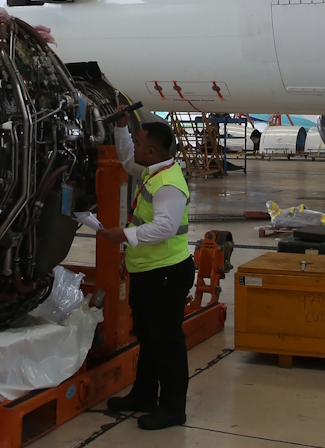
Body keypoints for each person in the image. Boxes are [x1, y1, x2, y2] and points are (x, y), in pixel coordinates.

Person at [100, 115, 194, 431]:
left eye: (140, 142)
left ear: (152, 152)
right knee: (149, 339)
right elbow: (127, 159)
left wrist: (124, 235)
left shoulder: (168, 183)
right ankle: (143, 396)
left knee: (166, 343)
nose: (135, 146)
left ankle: (172, 409)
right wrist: (120, 127)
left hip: (165, 274)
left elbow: (166, 226)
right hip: (149, 271)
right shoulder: (154, 171)